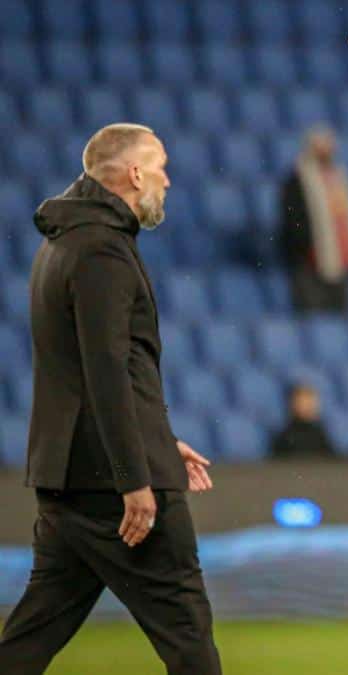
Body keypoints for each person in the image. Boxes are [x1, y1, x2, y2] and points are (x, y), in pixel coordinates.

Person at [0, 124, 221, 674]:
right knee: (188, 635)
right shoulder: (102, 249)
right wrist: (134, 475)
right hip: (114, 487)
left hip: (68, 479)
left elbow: (88, 373)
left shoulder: (61, 243)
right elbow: (108, 371)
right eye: (161, 165)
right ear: (136, 174)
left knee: (29, 641)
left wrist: (161, 439)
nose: (168, 179)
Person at [279, 126, 348, 313]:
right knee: (314, 315)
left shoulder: (339, 178)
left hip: (338, 264)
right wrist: (308, 249)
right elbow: (293, 224)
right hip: (309, 265)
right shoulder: (297, 181)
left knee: (340, 316)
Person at [270, 384, 338, 460]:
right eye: (303, 402)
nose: (307, 406)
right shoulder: (286, 437)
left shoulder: (320, 434)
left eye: (310, 402)